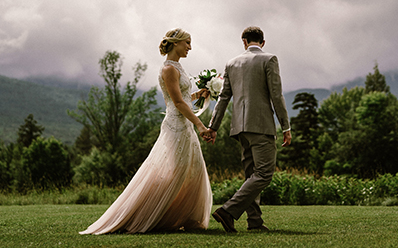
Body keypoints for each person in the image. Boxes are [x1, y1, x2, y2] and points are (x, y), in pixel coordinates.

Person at [80, 28, 213, 234]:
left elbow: (184, 98)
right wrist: (200, 124)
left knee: (191, 171)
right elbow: (176, 102)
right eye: (187, 42)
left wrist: (199, 94)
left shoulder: (178, 67)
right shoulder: (169, 69)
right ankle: (142, 214)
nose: (190, 47)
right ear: (175, 43)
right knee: (174, 172)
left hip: (184, 124)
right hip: (177, 125)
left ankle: (183, 216)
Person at [205, 26, 291, 233]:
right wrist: (286, 126)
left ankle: (255, 222)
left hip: (239, 128)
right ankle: (228, 210)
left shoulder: (231, 63)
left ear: (244, 41)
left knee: (252, 174)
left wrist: (213, 127)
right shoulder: (269, 59)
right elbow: (276, 95)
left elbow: (223, 98)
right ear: (263, 42)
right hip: (261, 125)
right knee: (264, 174)